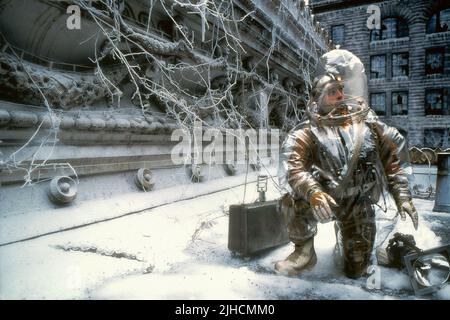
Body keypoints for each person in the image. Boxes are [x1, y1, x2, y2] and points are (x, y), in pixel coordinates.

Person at [276, 49, 418, 279]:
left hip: (357, 203)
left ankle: (361, 254)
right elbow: (293, 167)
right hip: (321, 199)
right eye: (332, 92)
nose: (341, 96)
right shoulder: (306, 132)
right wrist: (312, 193)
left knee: (356, 270)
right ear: (318, 98)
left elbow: (394, 157)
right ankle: (303, 250)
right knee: (290, 200)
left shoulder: (368, 126)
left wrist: (402, 195)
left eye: (341, 90)